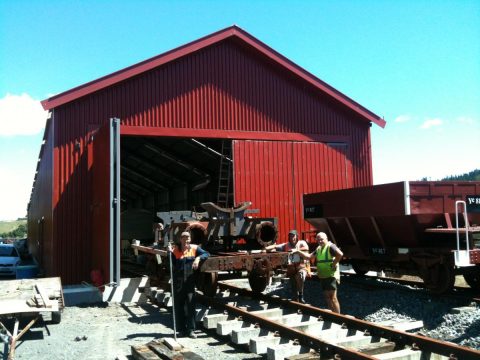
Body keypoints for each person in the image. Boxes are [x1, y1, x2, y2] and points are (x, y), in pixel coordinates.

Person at [168, 231, 209, 338]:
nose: (186, 240)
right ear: (180, 239)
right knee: (179, 306)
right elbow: (171, 264)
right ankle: (181, 330)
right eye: (184, 238)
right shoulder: (175, 250)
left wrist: (198, 258)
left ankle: (191, 330)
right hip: (179, 282)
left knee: (191, 306)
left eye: (188, 238)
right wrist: (169, 252)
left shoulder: (195, 248)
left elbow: (206, 254)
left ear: (190, 239)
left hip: (190, 281)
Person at [295, 231, 343, 313]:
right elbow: (309, 256)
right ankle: (333, 315)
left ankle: (339, 317)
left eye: (321, 239)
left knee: (333, 297)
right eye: (318, 240)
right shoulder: (318, 248)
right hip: (323, 275)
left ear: (326, 239)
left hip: (331, 275)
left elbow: (340, 254)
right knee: (327, 297)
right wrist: (298, 251)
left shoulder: (330, 246)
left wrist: (334, 263)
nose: (320, 241)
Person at [264, 229, 310, 303]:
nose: (292, 238)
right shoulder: (286, 245)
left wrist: (296, 250)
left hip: (301, 266)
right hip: (291, 268)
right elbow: (275, 246)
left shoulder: (301, 243)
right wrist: (266, 248)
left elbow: (306, 248)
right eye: (290, 236)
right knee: (293, 284)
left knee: (300, 276)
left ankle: (301, 296)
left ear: (297, 236)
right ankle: (296, 301)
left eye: (293, 236)